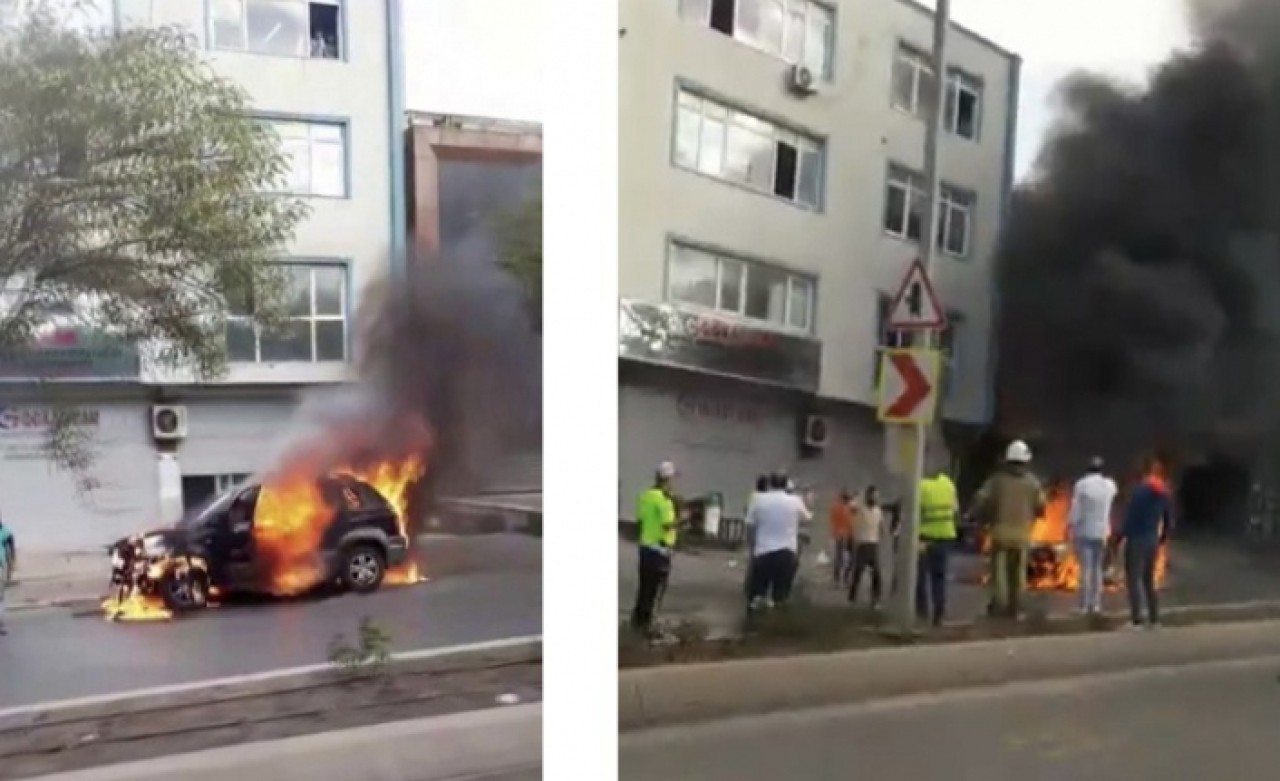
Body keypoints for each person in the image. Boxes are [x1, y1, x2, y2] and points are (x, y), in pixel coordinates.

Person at [971, 440, 1046, 620]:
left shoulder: (996, 481)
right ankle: (1017, 607)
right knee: (1019, 573)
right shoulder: (1033, 482)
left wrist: (982, 517)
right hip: (1022, 534)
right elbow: (1041, 506)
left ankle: (1000, 606)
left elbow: (981, 500)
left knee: (1000, 573)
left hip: (1000, 532)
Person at [1115, 462, 1174, 628]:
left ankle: (1136, 620)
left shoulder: (1139, 492)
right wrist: (1162, 538)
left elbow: (1131, 518)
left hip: (1137, 539)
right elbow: (1169, 520)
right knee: (1149, 580)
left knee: (1133, 579)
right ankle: (1154, 619)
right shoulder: (1164, 494)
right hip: (1152, 540)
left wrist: (1120, 537)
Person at [746, 472, 812, 611]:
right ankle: (778, 626)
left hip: (763, 553)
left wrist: (752, 548)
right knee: (780, 596)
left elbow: (750, 526)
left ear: (770, 484)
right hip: (787, 554)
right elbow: (807, 518)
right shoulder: (795, 501)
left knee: (757, 596)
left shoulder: (758, 500)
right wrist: (808, 500)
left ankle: (755, 626)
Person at [630, 461, 679, 635]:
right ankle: (649, 626)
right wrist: (684, 520)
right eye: (673, 479)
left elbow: (640, 520)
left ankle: (637, 622)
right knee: (656, 591)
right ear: (667, 480)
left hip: (645, 548)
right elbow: (667, 525)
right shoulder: (664, 500)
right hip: (660, 550)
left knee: (644, 589)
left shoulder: (646, 496)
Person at [1068, 456, 1118, 615]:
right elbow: (1114, 494)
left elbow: (1076, 511)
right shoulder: (1109, 485)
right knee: (1097, 569)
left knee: (1086, 569)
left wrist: (1070, 527)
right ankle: (1096, 605)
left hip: (1084, 531)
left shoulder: (1081, 485)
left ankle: (1084, 605)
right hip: (1102, 532)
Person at [916, 471, 959, 627]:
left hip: (925, 538)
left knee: (920, 577)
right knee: (939, 578)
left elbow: (915, 513)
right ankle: (938, 615)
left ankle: (921, 613)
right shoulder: (948, 485)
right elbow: (955, 510)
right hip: (946, 537)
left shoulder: (921, 486)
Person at [848, 485, 885, 609]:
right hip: (862, 544)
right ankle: (852, 597)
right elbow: (851, 506)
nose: (875, 498)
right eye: (873, 495)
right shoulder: (860, 508)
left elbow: (881, 527)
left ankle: (875, 599)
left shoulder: (878, 511)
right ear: (868, 496)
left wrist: (881, 535)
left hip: (873, 544)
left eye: (876, 496)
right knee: (858, 572)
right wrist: (859, 496)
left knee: (876, 574)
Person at [829, 489, 855, 586]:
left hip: (845, 535)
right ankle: (842, 578)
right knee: (843, 558)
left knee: (841, 558)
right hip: (844, 535)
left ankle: (840, 578)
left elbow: (833, 519)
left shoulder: (840, 506)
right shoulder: (844, 507)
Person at [0, 517, 14, 636]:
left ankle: (1, 624)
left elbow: (10, 552)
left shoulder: (5, 533)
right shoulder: (6, 533)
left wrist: (9, 570)